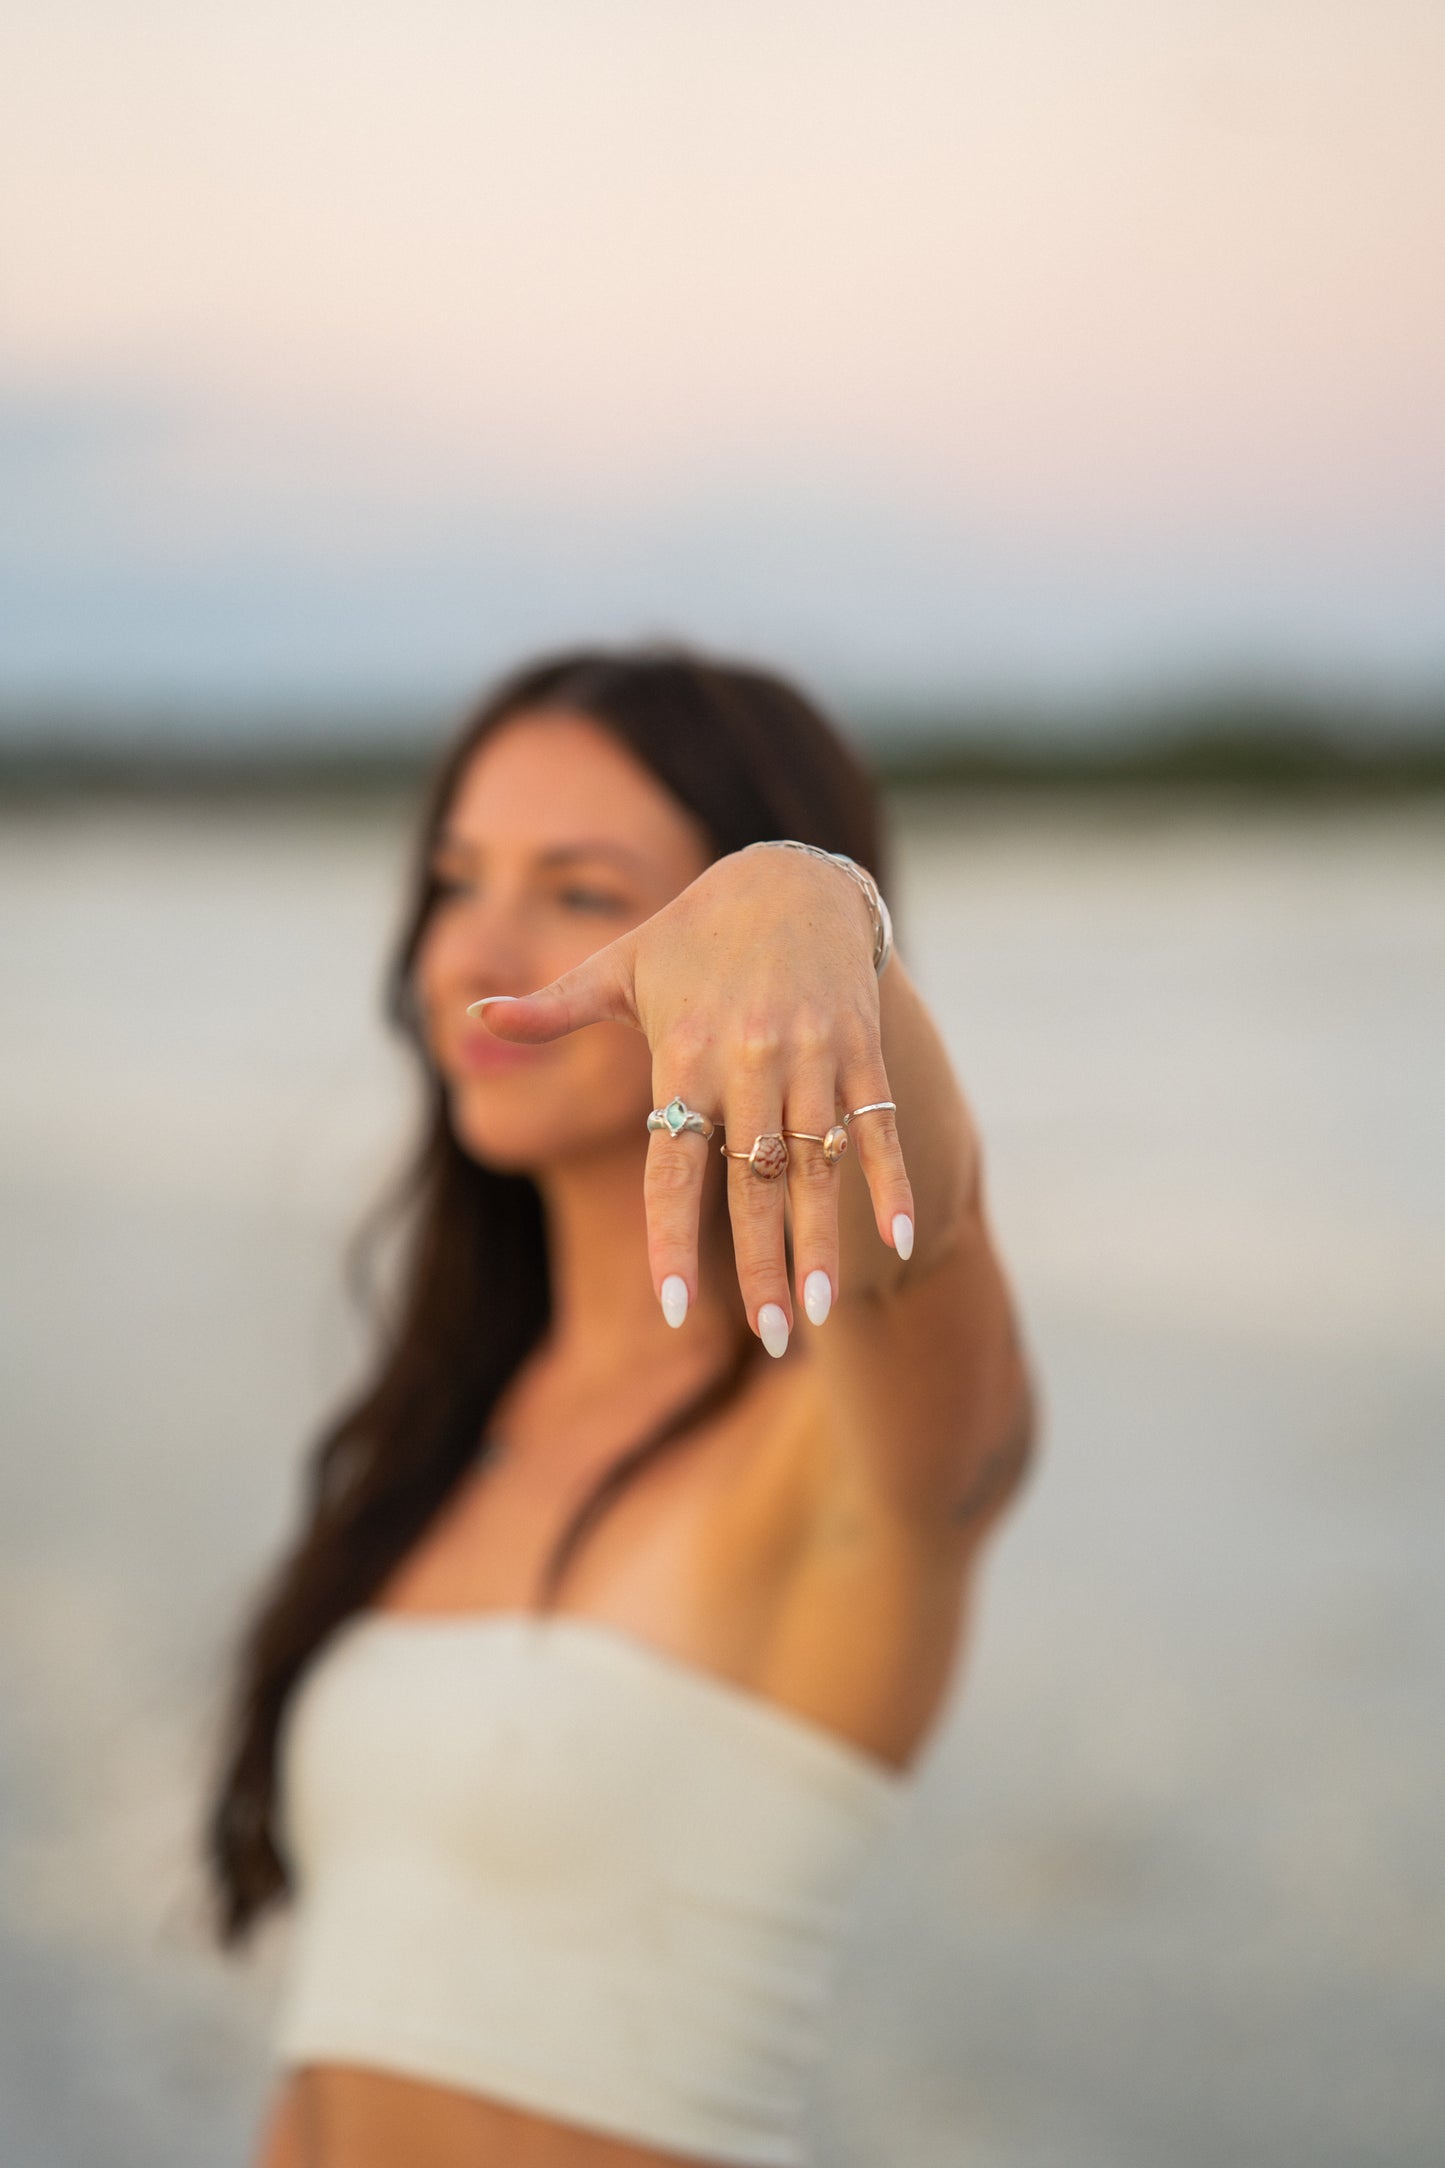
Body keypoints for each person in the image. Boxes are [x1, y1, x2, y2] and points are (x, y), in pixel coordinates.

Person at [203, 643, 1039, 2168]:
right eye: (457, 879)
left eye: (583, 894)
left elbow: (934, 1246)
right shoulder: (453, 1421)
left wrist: (807, 900)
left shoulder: (843, 1447)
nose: (476, 951)